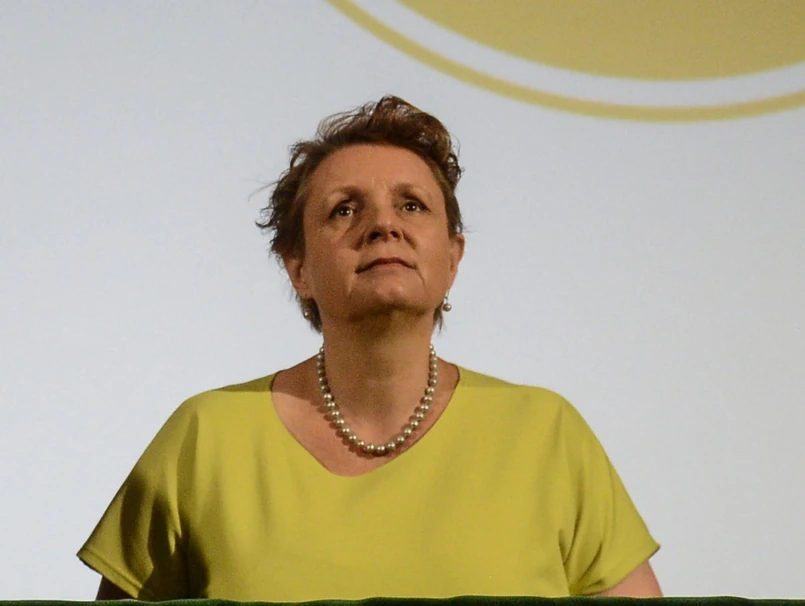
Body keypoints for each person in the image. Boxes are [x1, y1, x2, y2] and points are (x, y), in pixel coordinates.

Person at [79, 96, 662, 600]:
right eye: (345, 209)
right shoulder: (204, 438)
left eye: (412, 205)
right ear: (298, 268)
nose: (384, 225)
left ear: (453, 257)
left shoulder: (546, 434)